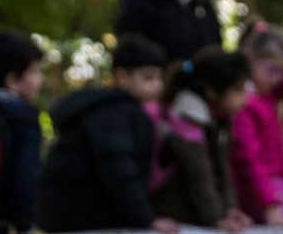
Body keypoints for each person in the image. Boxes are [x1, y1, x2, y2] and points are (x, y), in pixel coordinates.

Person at [37, 35, 178, 234]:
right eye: (148, 77)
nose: (157, 84)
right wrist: (146, 219)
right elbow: (119, 169)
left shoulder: (127, 111)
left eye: (159, 77)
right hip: (79, 217)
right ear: (122, 76)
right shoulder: (111, 113)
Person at [151, 47, 252, 232]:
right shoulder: (186, 116)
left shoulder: (220, 117)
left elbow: (223, 169)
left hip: (197, 214)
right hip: (173, 213)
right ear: (211, 91)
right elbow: (199, 175)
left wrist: (231, 210)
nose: (245, 98)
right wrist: (215, 219)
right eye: (238, 89)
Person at [229, 21, 283, 225]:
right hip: (259, 194)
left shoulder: (267, 95)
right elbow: (248, 158)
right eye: (271, 70)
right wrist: (269, 203)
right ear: (249, 60)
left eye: (281, 72)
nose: (277, 79)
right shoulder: (245, 104)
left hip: (275, 188)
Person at [0, 32, 44, 233]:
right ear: (12, 80)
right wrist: (24, 225)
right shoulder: (22, 118)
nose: (40, 79)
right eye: (35, 71)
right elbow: (25, 181)